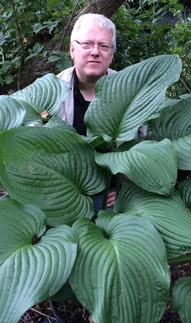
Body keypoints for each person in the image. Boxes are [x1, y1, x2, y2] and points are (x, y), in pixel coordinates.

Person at [56, 13, 117, 208]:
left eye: (104, 46)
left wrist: (127, 189)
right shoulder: (51, 91)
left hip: (114, 195)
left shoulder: (130, 91)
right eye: (87, 44)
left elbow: (142, 144)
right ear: (72, 50)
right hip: (64, 194)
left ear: (111, 55)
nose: (95, 52)